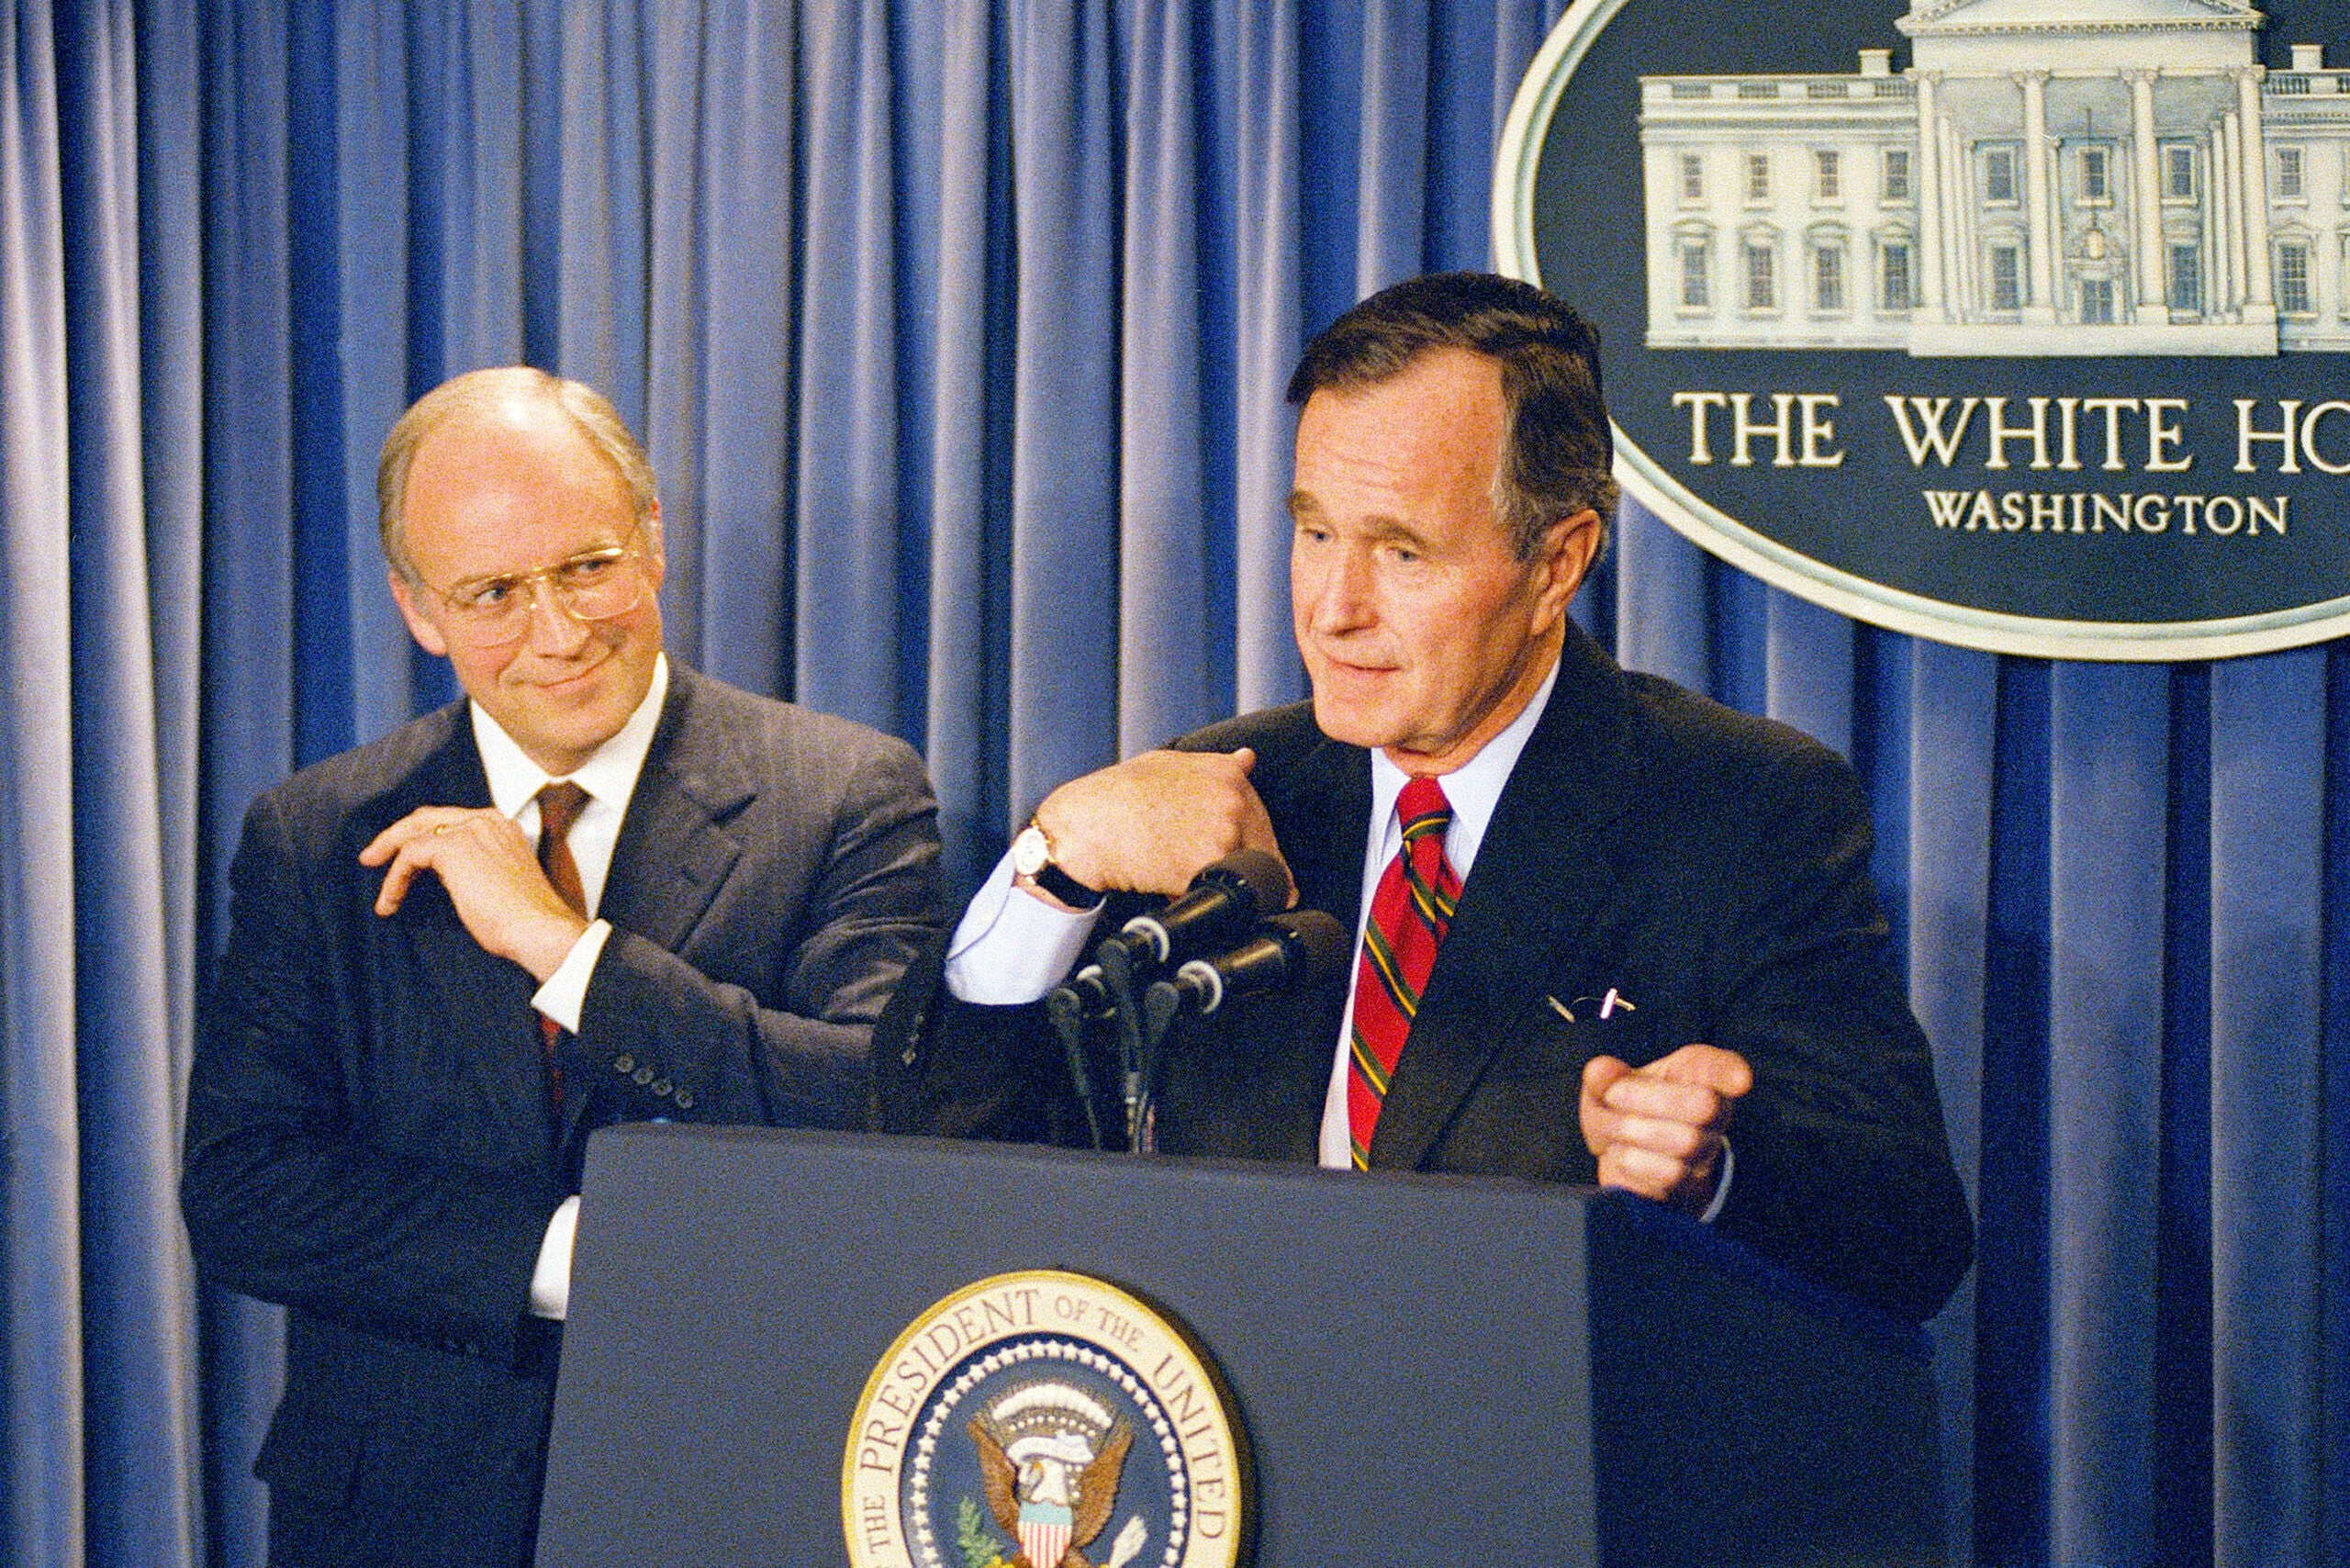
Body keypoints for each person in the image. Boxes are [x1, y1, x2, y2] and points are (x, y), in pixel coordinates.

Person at [878, 272, 1972, 1324]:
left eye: (1402, 550)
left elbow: (1909, 1234)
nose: (1333, 609)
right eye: (1315, 534)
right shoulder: (1221, 794)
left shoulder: (1736, 808)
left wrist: (1717, 1170)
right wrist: (1049, 868)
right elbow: (931, 1163)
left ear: (1557, 564)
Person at [181, 367, 945, 1567]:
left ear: (651, 542)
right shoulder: (315, 831)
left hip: (725, 1491)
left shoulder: (845, 794)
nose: (558, 631)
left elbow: (880, 1112)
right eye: (492, 592)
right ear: (419, 611)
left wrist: (563, 948)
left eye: (587, 566)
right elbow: (244, 1193)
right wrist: (580, 1258)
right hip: (392, 1515)